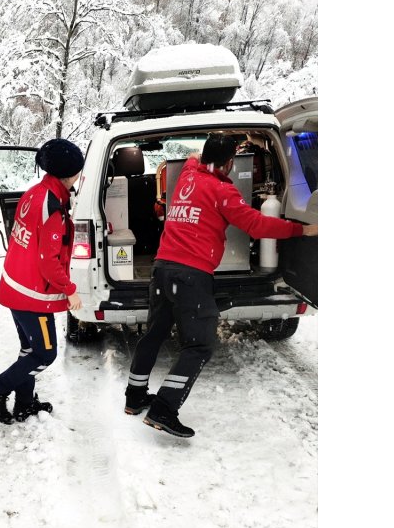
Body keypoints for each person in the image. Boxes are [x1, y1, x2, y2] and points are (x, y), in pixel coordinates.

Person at [125, 132, 317, 437]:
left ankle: (134, 398)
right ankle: (164, 408)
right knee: (199, 345)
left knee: (155, 334)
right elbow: (256, 224)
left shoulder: (188, 175)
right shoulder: (222, 191)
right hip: (191, 275)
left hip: (161, 269)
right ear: (230, 163)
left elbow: (192, 159)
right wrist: (302, 231)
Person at [0, 139, 84, 424]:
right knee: (44, 355)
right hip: (34, 297)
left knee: (29, 350)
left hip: (16, 287)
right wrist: (70, 290)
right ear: (70, 173)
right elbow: (49, 262)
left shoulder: (35, 193)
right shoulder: (51, 207)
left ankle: (24, 404)